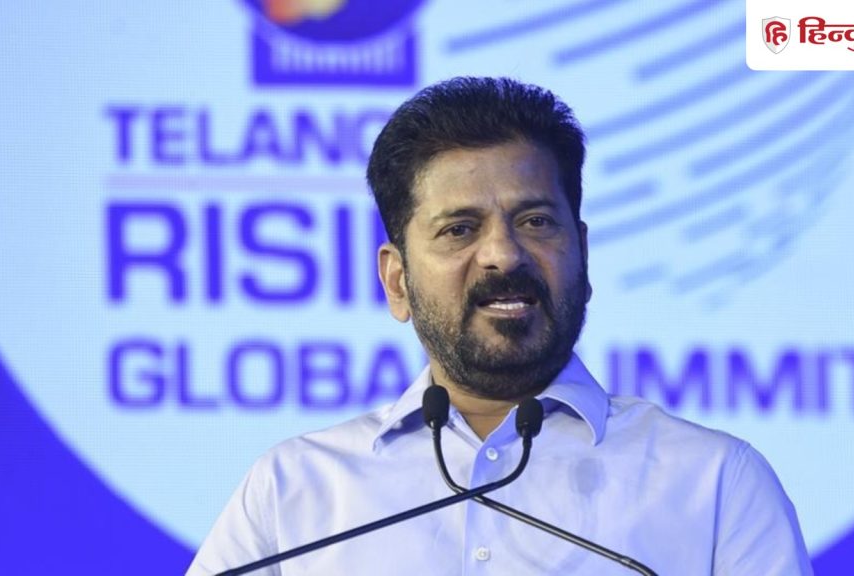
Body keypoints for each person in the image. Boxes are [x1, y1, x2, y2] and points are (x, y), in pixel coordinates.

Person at [187, 77, 813, 575]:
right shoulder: (295, 493)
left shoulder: (714, 484)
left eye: (536, 222)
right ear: (397, 281)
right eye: (459, 230)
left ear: (582, 254)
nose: (504, 256)